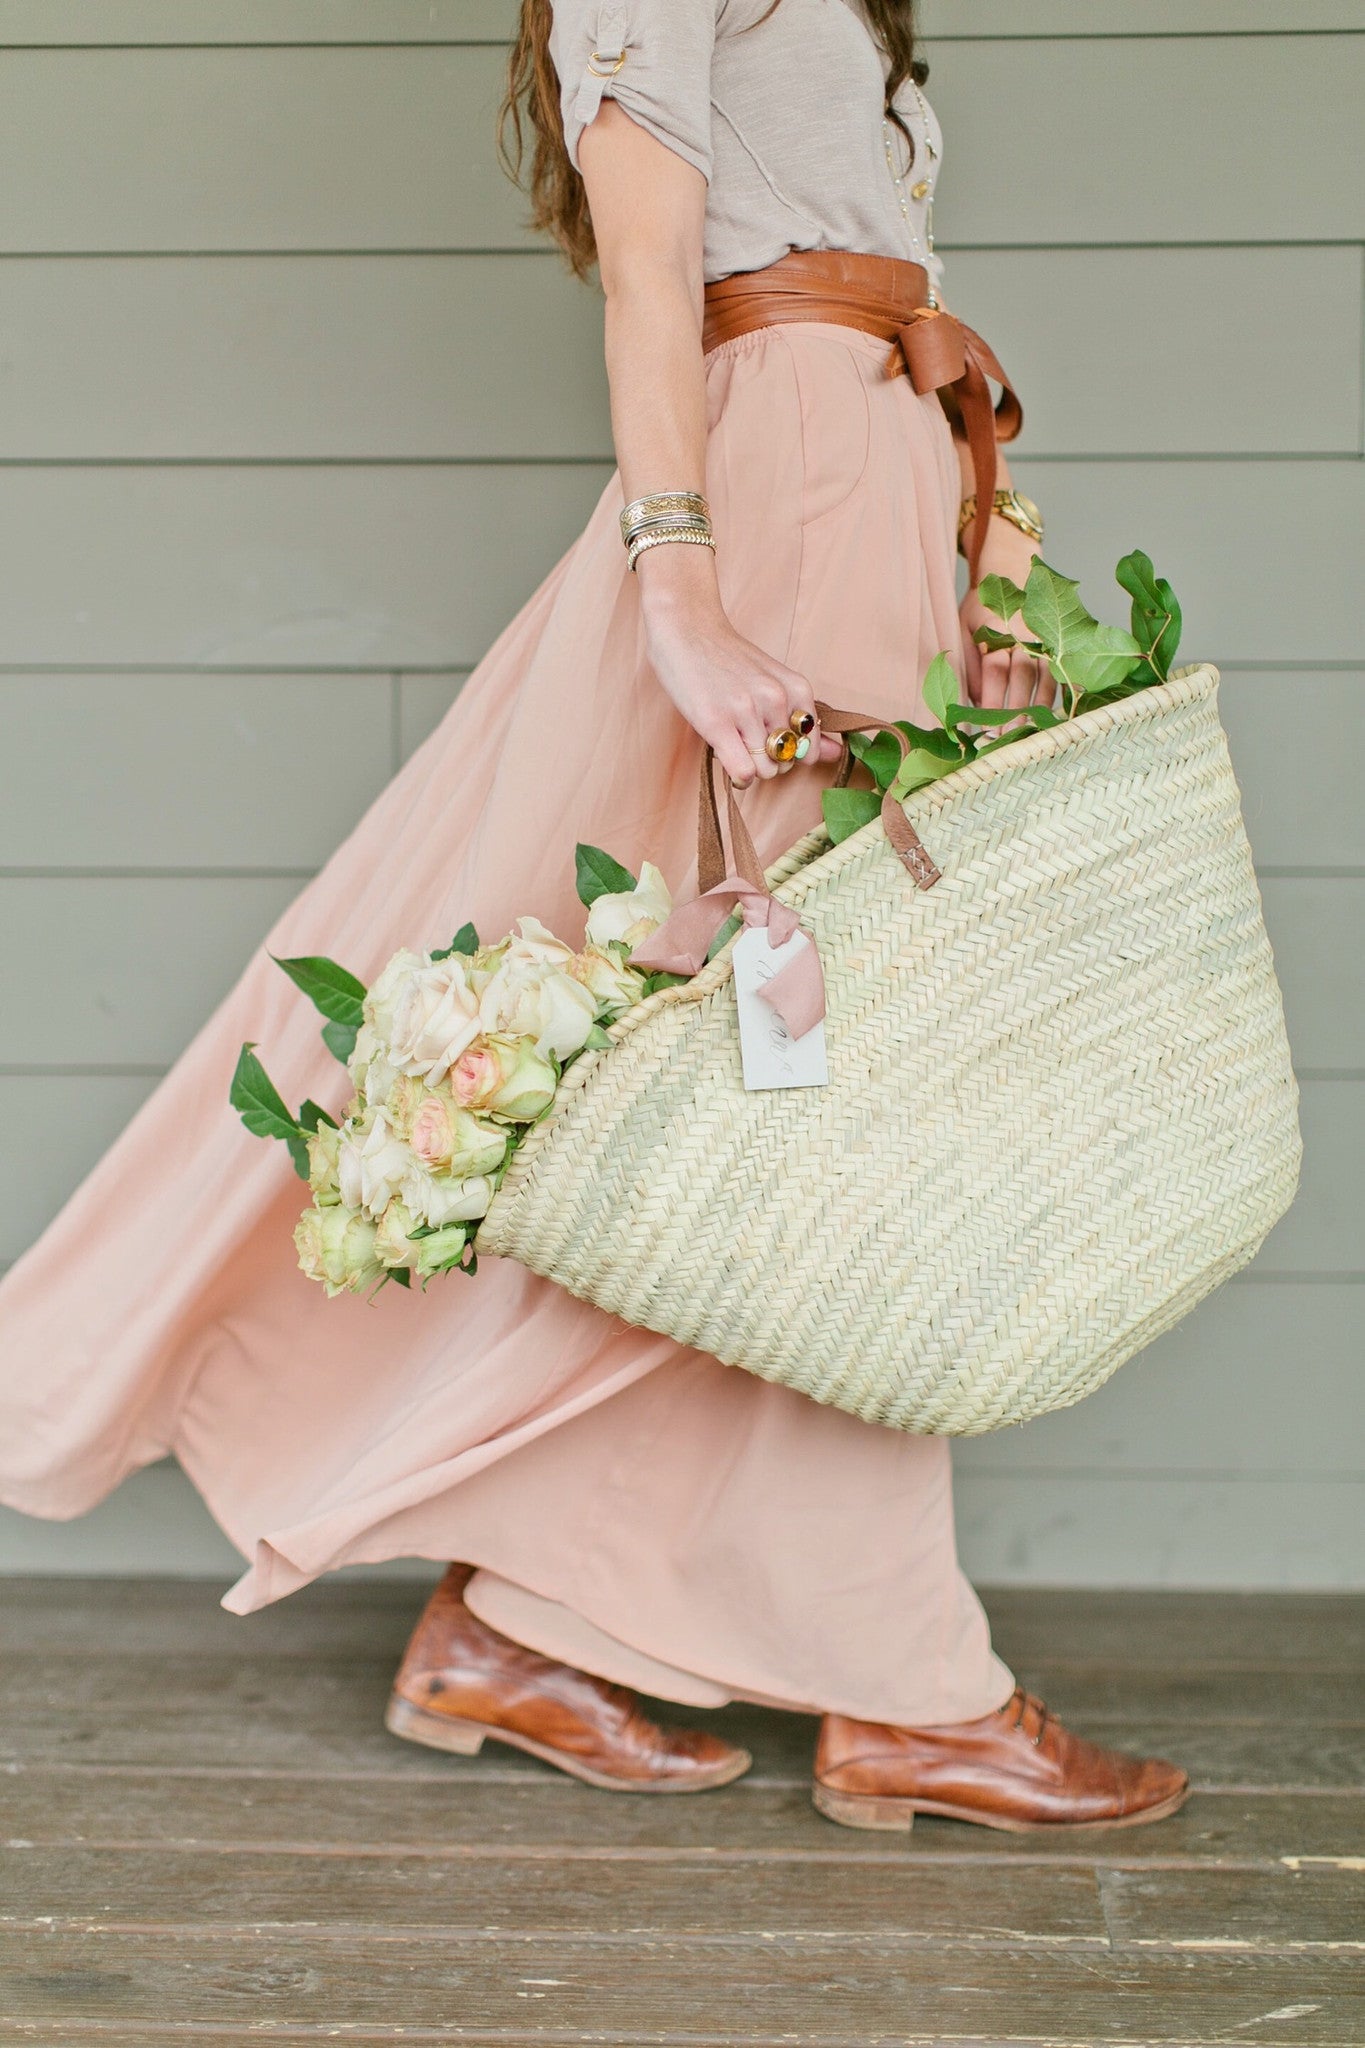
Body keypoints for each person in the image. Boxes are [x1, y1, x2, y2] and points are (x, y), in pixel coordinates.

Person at [0, 0, 1188, 1833]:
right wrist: (682, 591)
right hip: (779, 503)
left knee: (768, 1082)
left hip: (876, 487)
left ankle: (524, 1623)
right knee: (815, 1085)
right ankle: (909, 1698)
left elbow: (888, 285)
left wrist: (991, 553)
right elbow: (654, 266)